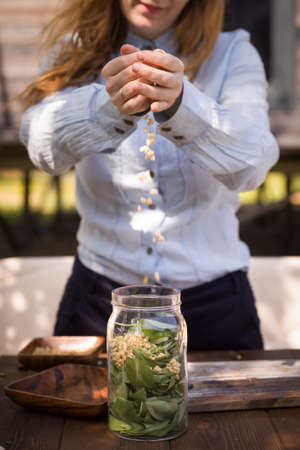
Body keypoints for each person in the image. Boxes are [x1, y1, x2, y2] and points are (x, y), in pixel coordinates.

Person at [19, 0, 279, 351]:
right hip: (99, 300)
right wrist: (105, 107)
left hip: (214, 307)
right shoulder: (75, 47)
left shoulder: (233, 53)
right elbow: (41, 145)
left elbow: (252, 164)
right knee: (84, 404)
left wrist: (182, 107)